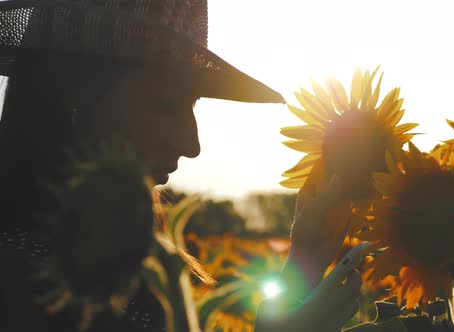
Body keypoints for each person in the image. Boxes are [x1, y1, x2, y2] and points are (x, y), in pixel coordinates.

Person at [0, 1, 361, 331]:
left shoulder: (120, 271)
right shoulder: (19, 289)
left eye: (192, 105)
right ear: (73, 96)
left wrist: (306, 259)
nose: (191, 144)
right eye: (166, 103)